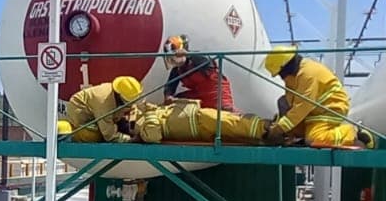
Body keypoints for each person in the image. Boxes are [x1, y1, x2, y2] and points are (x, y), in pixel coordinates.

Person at [262, 45, 370, 148]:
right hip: (315, 110)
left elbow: (302, 107)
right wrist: (283, 127)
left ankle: (353, 133)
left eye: (280, 74)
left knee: (313, 139)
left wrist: (279, 128)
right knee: (283, 103)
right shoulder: (296, 75)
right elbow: (291, 101)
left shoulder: (307, 74)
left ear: (285, 68)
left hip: (330, 108)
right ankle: (298, 136)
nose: (281, 78)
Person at [134, 99, 270, 145]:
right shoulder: (137, 127)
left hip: (197, 116)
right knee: (233, 124)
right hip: (196, 124)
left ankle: (264, 130)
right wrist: (149, 112)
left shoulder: (137, 111)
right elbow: (154, 136)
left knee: (234, 123)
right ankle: (266, 130)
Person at [161, 35, 235, 112]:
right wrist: (168, 96)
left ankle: (238, 116)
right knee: (176, 101)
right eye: (170, 59)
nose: (173, 60)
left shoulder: (198, 58)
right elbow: (170, 85)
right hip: (198, 93)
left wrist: (188, 54)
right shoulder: (177, 69)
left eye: (174, 57)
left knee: (224, 112)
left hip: (216, 90)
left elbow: (207, 63)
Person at [64, 76, 142, 143]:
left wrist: (132, 125)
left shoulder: (119, 95)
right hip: (82, 118)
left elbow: (132, 110)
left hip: (100, 114)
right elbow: (109, 135)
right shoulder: (103, 102)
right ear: (119, 95)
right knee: (93, 136)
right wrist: (130, 140)